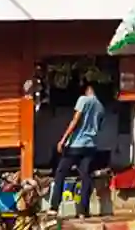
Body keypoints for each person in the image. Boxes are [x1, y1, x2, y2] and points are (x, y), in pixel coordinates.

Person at [49, 80, 105, 218]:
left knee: (61, 172)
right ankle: (83, 211)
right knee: (86, 177)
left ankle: (54, 207)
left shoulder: (83, 100)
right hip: (90, 146)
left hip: (75, 145)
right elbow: (98, 127)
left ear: (88, 89)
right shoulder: (101, 107)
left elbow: (75, 120)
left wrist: (63, 140)